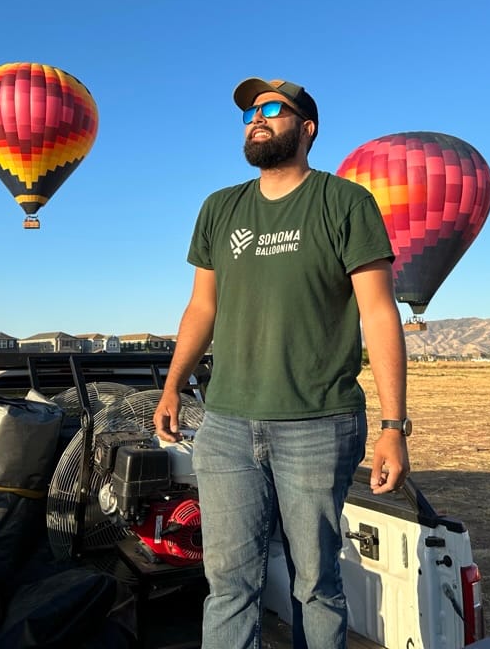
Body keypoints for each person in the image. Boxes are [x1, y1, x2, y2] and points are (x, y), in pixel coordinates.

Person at [154, 77, 410, 648]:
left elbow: (379, 313)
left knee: (316, 582)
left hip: (319, 424)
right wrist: (173, 385)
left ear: (307, 128)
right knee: (228, 583)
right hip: (225, 425)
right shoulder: (219, 208)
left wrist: (394, 427)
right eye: (248, 112)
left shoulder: (345, 202)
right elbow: (202, 306)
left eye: (272, 108)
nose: (256, 118)